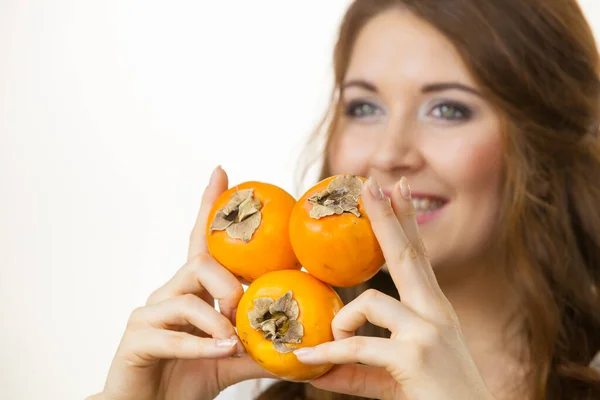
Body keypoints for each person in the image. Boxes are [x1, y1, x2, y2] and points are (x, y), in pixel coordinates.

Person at [88, 0, 600, 399]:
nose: (389, 152)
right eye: (363, 105)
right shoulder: (282, 387)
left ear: (549, 132)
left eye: (447, 109)